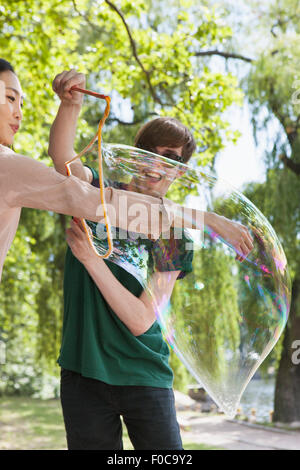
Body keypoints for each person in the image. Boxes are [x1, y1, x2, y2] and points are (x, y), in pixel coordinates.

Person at [49, 70, 254, 450]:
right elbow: (62, 159)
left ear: (180, 170)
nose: (157, 166)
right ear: (135, 156)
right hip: (83, 373)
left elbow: (143, 321)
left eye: (171, 159)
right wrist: (70, 105)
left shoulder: (175, 234)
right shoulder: (96, 193)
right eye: (152, 154)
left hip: (145, 375)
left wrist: (93, 261)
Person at [0, 59, 169, 282]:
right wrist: (211, 222)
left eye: (22, 104)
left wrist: (71, 105)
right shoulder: (6, 165)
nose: (19, 114)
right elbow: (92, 199)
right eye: (10, 98)